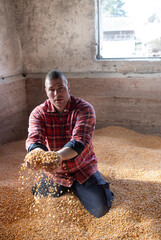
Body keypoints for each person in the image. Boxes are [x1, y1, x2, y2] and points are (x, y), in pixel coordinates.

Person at [25, 70, 114, 218]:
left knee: (100, 209)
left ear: (68, 87)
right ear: (46, 91)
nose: (56, 93)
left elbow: (79, 141)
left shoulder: (84, 109)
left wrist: (55, 158)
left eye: (61, 88)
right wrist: (36, 155)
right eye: (52, 89)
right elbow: (35, 139)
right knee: (37, 194)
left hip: (82, 168)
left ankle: (93, 185)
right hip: (55, 172)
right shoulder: (38, 113)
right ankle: (70, 187)